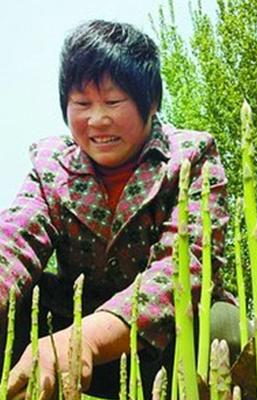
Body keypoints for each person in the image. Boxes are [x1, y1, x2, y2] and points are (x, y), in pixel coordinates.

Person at [0, 19, 237, 399]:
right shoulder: (51, 164)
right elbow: (14, 243)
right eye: (81, 104)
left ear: (152, 102)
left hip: (156, 346)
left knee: (223, 326)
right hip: (61, 338)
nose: (97, 120)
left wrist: (87, 338)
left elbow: (181, 269)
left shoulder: (191, 158)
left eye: (112, 102)